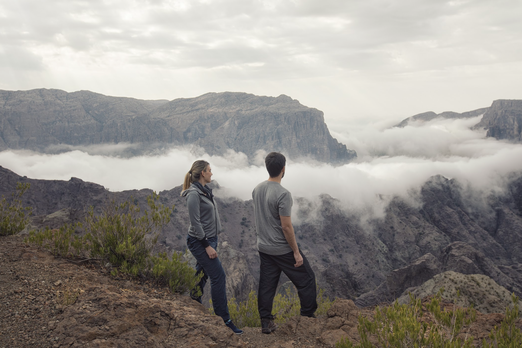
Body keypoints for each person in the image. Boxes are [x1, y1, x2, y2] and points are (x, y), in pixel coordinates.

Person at [252, 152, 317, 334]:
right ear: (283, 169)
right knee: (307, 279)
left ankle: (266, 322)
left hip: (264, 247)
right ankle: (307, 318)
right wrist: (295, 252)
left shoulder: (257, 189)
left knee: (267, 285)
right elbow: (286, 227)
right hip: (281, 249)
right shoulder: (283, 194)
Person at [181, 160, 243, 335]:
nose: (211, 173)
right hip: (200, 241)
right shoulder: (193, 194)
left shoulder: (204, 191)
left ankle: (193, 307)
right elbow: (195, 223)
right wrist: (207, 246)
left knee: (201, 276)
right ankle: (225, 320)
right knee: (218, 276)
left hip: (210, 239)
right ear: (202, 173)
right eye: (209, 170)